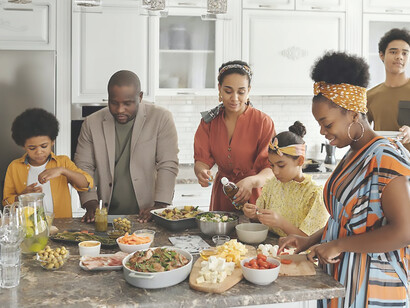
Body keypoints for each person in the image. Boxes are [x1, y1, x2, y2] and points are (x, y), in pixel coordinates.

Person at [279, 52, 410, 307]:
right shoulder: (352, 152)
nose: (322, 132)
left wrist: (339, 245)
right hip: (341, 278)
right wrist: (310, 240)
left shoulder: (386, 157)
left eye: (326, 123)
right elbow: (345, 219)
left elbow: (404, 232)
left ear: (352, 114)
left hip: (373, 287)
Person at [74, 70, 178, 223]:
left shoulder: (161, 118)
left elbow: (168, 164)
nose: (120, 110)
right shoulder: (91, 123)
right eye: (114, 103)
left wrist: (160, 205)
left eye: (127, 103)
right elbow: (83, 166)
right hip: (107, 216)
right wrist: (90, 202)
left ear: (140, 97)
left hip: (148, 214)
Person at [194, 60, 275, 212]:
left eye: (241, 92)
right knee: (220, 235)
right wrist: (202, 172)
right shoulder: (208, 123)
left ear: (249, 90)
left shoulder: (263, 122)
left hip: (255, 196)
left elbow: (271, 169)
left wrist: (251, 181)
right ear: (219, 89)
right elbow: (201, 160)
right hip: (222, 194)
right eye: (228, 91)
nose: (235, 98)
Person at [3, 108, 93, 218]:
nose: (39, 151)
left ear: (53, 141)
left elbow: (86, 184)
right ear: (23, 146)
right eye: (32, 148)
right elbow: (6, 203)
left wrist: (62, 171)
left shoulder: (62, 162)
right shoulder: (14, 167)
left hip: (61, 227)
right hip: (27, 228)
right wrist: (22, 197)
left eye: (44, 146)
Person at [243, 121, 329, 237]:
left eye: (281, 165)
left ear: (300, 161)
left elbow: (310, 240)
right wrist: (254, 215)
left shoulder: (315, 195)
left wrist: (281, 223)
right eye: (272, 165)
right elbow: (262, 223)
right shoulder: (272, 185)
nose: (275, 171)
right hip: (270, 250)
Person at [367, 28, 410, 151]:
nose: (399, 57)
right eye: (393, 52)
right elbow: (362, 134)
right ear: (382, 55)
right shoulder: (370, 95)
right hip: (382, 164)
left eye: (405, 53)